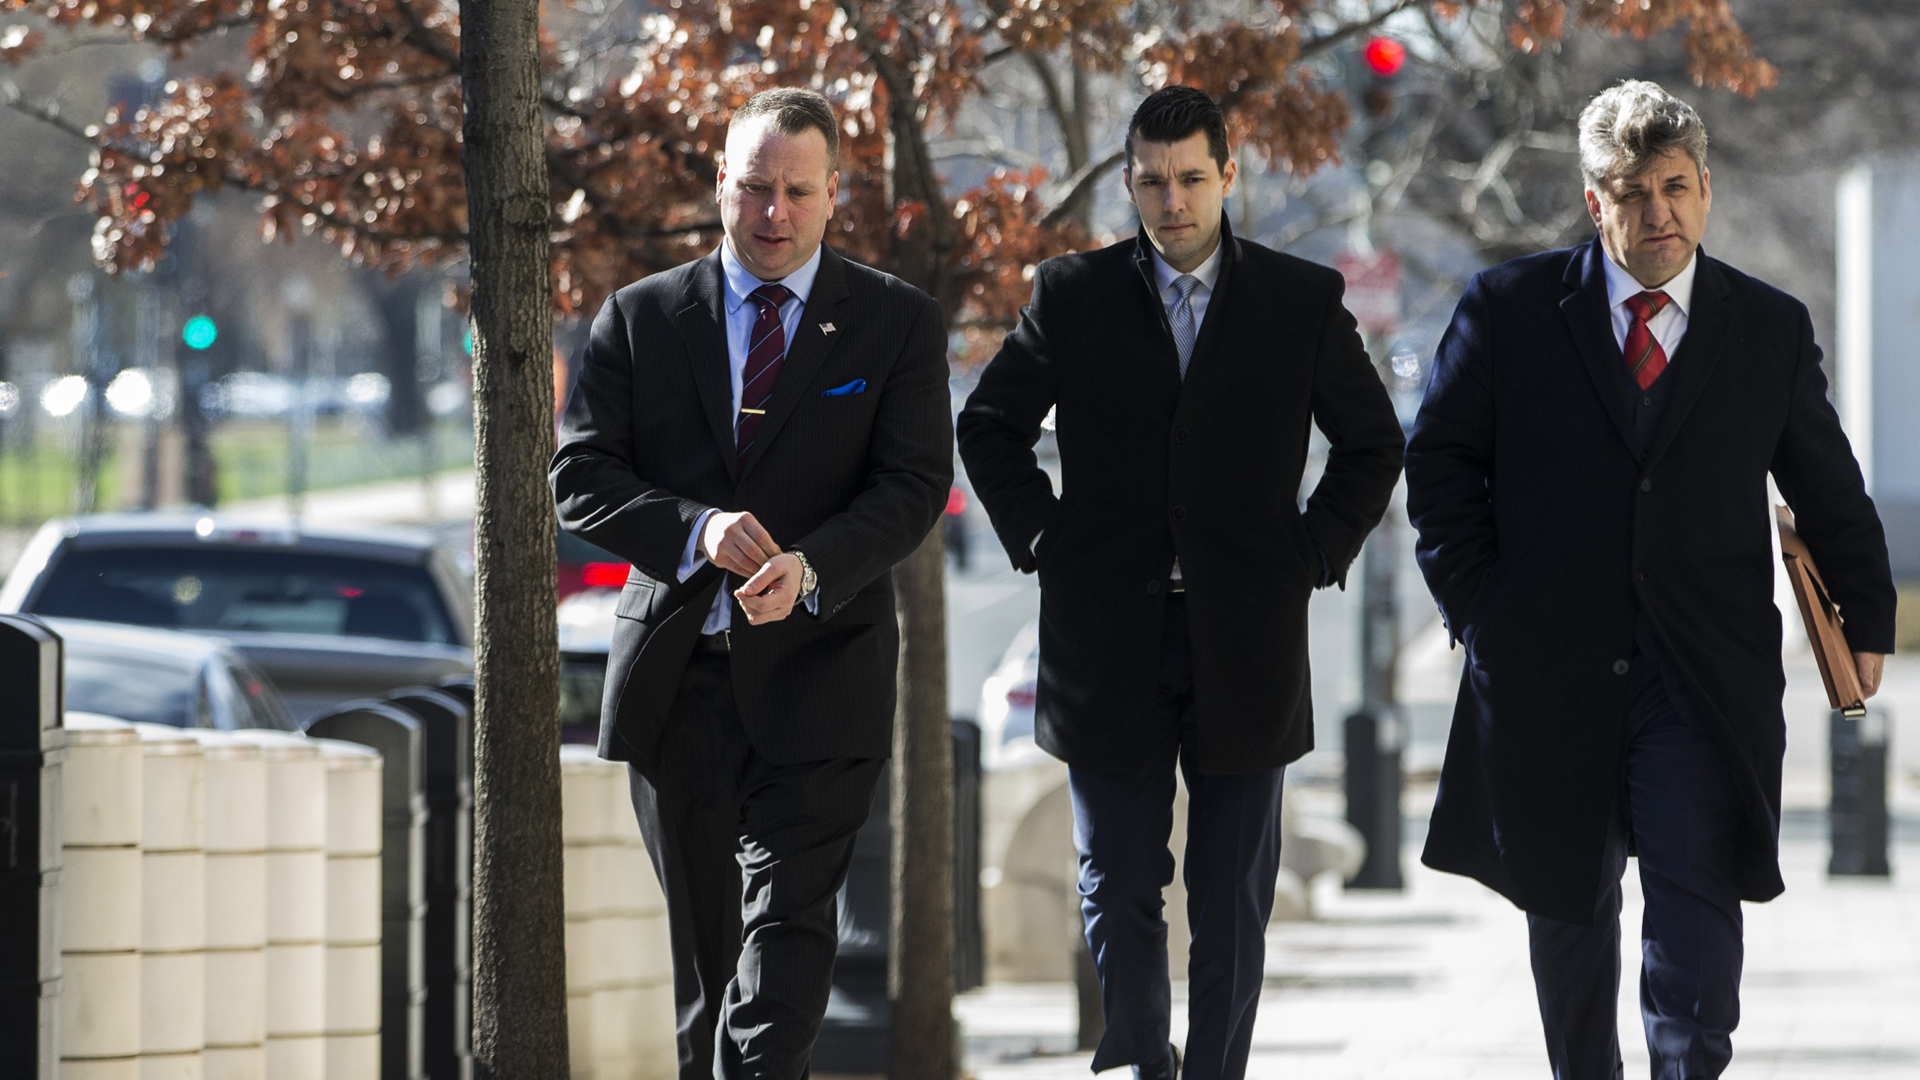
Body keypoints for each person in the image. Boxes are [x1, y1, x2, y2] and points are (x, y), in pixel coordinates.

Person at [1405, 80, 1895, 1080]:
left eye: (1674, 187)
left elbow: (1830, 489)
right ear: (1594, 201)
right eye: (1630, 192)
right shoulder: (1507, 311)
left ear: (1705, 190)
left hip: (1701, 680)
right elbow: (1441, 467)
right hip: (1549, 671)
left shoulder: (1766, 329)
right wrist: (1483, 613)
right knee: (1570, 920)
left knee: (1695, 908)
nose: (1655, 212)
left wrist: (1870, 624)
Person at [957, 86, 1404, 1080]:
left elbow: (1371, 446)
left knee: (1231, 894)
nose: (1173, 201)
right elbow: (987, 427)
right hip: (1105, 637)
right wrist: (1044, 536)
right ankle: (1147, 1058)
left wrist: (1310, 554)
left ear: (1228, 176)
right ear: (1129, 182)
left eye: (1192, 178)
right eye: (1152, 181)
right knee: (1115, 881)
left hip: (1247, 636)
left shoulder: (1299, 301)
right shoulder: (1073, 296)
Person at [550, 88, 952, 1079]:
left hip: (824, 673)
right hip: (679, 682)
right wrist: (698, 529)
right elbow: (581, 477)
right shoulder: (641, 319)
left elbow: (913, 485)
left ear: (833, 197)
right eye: (756, 189)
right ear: (719, 181)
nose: (774, 214)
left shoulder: (893, 325)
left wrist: (813, 565)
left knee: (783, 956)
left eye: (797, 193)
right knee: (708, 979)